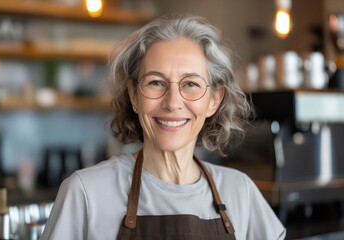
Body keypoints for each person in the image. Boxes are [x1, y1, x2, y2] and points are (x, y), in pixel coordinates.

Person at [41, 14, 286, 240]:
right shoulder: (85, 193)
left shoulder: (240, 191)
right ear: (134, 96)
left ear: (214, 100)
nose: (172, 103)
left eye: (191, 84)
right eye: (156, 82)